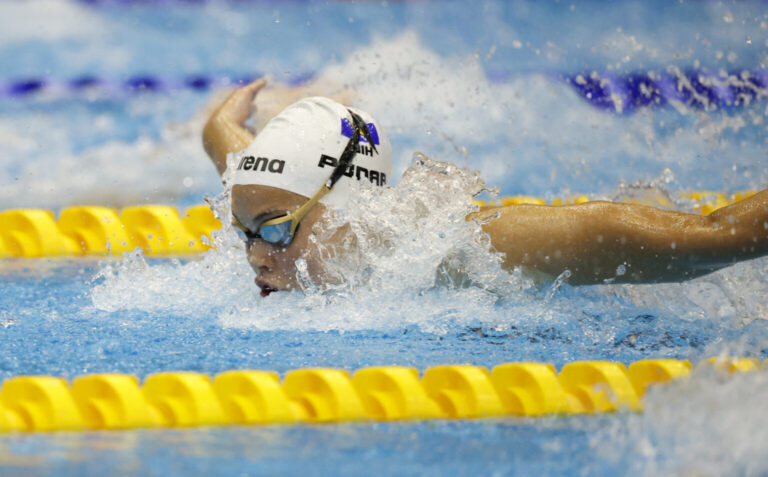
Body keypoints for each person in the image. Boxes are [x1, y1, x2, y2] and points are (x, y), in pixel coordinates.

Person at [203, 78, 768, 296]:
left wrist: (717, 232)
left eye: (274, 231)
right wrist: (219, 125)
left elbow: (714, 234)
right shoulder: (273, 197)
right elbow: (235, 159)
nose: (255, 255)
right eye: (243, 233)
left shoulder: (460, 248)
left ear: (350, 209)